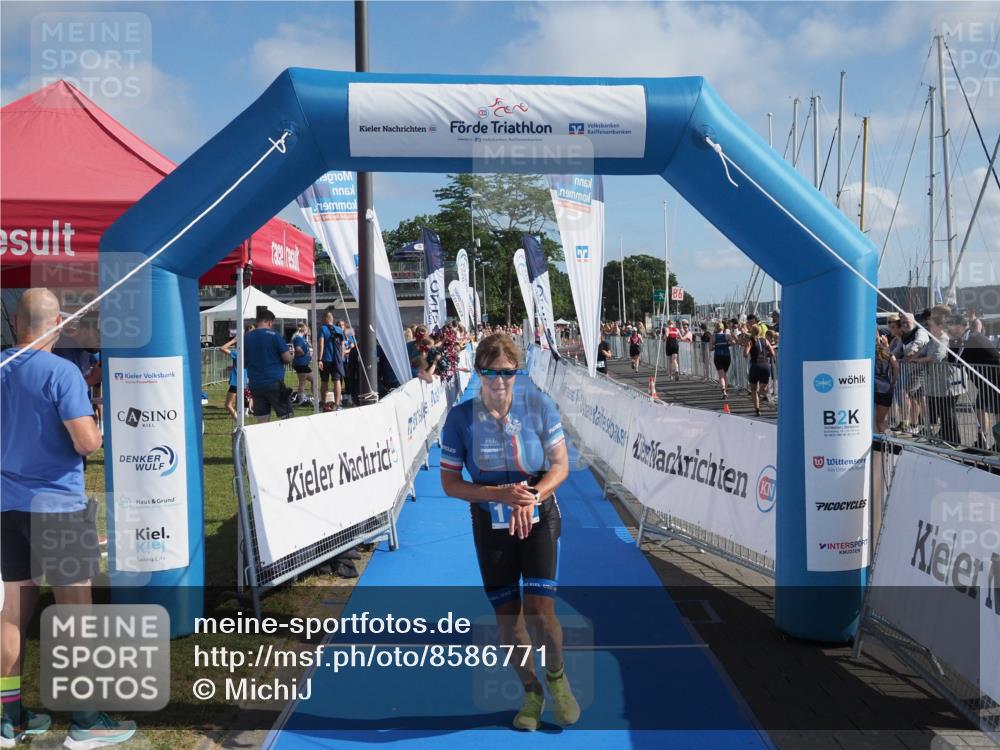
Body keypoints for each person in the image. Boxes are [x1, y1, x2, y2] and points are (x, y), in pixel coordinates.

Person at [1, 289, 136, 748]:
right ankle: (85, 720)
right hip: (57, 506)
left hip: (8, 506)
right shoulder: (62, 371)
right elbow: (86, 442)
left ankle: (9, 719)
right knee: (77, 614)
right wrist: (95, 424)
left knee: (14, 612)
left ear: (18, 323)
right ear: (57, 323)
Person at [439, 335, 578, 731]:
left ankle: (556, 678)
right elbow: (451, 484)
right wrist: (498, 494)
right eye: (490, 372)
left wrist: (531, 496)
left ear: (517, 373)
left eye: (507, 372)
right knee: (508, 616)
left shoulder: (538, 405)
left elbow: (561, 466)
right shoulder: (461, 418)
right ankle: (531, 691)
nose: (499, 381)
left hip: (538, 514)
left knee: (540, 610)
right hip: (490, 521)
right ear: (478, 372)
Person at [947, 312, 1000, 449]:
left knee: (994, 411)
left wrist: (952, 341)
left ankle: (993, 442)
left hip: (994, 378)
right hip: (986, 380)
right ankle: (982, 441)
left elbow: (957, 360)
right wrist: (952, 340)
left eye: (951, 325)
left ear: (961, 326)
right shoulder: (964, 339)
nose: (949, 329)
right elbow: (952, 359)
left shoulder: (972, 338)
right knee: (981, 408)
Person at [244, 308, 293, 422]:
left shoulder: (247, 338)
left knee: (262, 419)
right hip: (273, 382)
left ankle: (262, 439)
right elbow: (287, 358)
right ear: (270, 322)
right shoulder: (274, 335)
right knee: (287, 416)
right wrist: (292, 357)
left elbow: (244, 362)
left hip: (255, 384)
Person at [744, 323, 775, 416]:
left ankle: (757, 409)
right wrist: (765, 356)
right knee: (763, 388)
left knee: (753, 389)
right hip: (765, 365)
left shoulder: (750, 341)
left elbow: (745, 354)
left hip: (755, 366)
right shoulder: (765, 340)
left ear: (752, 331)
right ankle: (767, 398)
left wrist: (746, 349)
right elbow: (773, 353)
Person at [220, 330, 252, 422]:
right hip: (244, 380)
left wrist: (233, 340)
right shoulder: (247, 354)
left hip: (236, 381)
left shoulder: (237, 353)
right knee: (239, 403)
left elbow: (222, 348)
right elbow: (243, 366)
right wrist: (231, 367)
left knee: (228, 405)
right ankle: (241, 417)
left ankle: (238, 420)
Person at [318, 312, 345, 412]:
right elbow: (342, 346)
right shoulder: (339, 330)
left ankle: (324, 404)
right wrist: (341, 359)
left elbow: (321, 344)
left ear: (325, 319)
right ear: (332, 319)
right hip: (337, 360)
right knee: (337, 381)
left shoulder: (323, 328)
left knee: (324, 381)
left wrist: (319, 359)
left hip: (325, 359)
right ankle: (337, 404)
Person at [874, 333, 899, 433]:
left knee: (873, 421)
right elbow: (896, 367)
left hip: (873, 387)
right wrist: (893, 381)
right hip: (886, 387)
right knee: (881, 421)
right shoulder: (887, 351)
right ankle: (890, 442)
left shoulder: (866, 351)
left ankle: (875, 445)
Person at [290, 324, 314, 407]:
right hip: (300, 363)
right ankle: (301, 399)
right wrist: (303, 354)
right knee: (302, 382)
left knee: (313, 379)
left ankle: (315, 396)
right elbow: (298, 348)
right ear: (304, 330)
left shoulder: (303, 338)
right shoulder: (298, 338)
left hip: (304, 364)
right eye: (307, 330)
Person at [712, 322, 733, 399]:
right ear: (723, 328)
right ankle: (726, 391)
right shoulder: (727, 335)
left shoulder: (714, 336)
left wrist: (717, 346)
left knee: (721, 375)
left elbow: (710, 348)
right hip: (726, 356)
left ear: (716, 328)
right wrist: (727, 344)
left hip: (718, 356)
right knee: (725, 374)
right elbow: (733, 342)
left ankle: (723, 391)